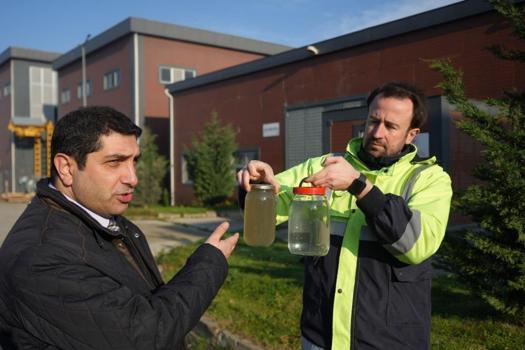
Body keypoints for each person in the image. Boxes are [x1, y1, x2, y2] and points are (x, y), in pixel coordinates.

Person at [0, 106, 239, 350]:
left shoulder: (106, 218)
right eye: (114, 162)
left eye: (134, 161)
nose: (132, 178)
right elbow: (147, 334)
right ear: (66, 168)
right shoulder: (40, 259)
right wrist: (209, 264)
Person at [237, 82, 452, 350]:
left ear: (412, 135)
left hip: (387, 341)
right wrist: (259, 185)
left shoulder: (429, 179)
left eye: (391, 126)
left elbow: (415, 245)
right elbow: (270, 212)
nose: (377, 132)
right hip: (320, 336)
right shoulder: (324, 166)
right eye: (373, 120)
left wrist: (359, 186)